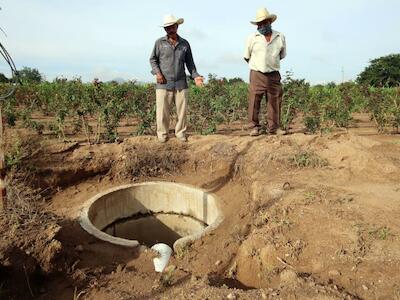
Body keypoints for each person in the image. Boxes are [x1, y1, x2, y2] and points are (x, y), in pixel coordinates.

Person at [150, 14, 204, 143]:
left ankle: (180, 133)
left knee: (182, 111)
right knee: (162, 112)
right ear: (165, 29)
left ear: (177, 26)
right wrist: (158, 73)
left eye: (171, 27)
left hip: (181, 83)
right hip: (163, 83)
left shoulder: (185, 44)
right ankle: (162, 135)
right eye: (167, 28)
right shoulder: (159, 43)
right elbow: (153, 59)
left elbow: (190, 63)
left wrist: (196, 77)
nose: (169, 29)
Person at [244, 7, 286, 136]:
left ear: (270, 22)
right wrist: (258, 66)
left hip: (273, 74)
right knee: (254, 100)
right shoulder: (252, 38)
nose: (262, 25)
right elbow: (247, 56)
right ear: (257, 25)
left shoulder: (280, 36)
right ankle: (253, 127)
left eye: (264, 22)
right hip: (257, 73)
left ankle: (274, 128)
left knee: (274, 101)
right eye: (259, 23)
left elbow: (282, 55)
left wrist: (270, 64)